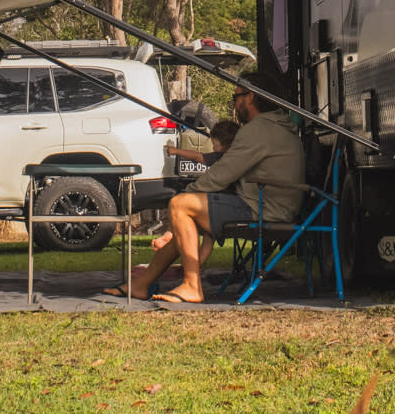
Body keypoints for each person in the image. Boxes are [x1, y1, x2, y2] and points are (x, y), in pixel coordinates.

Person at [110, 71, 303, 305]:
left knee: (180, 206)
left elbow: (221, 175)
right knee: (185, 216)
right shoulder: (274, 127)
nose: (234, 104)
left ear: (251, 97)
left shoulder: (258, 130)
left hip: (264, 209)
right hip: (269, 204)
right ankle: (141, 285)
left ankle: (192, 286)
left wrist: (187, 193)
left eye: (236, 98)